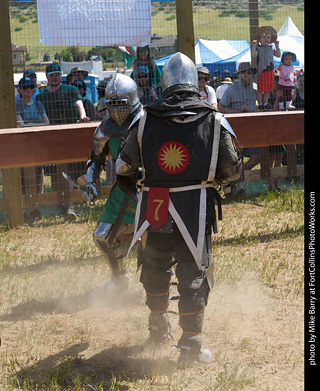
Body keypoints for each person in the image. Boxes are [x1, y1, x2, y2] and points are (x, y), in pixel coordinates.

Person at [116, 52, 240, 365]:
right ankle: (191, 348)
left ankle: (158, 330)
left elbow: (123, 167)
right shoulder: (214, 119)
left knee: (155, 265)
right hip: (194, 206)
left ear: (165, 82)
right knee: (193, 272)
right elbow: (232, 169)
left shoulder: (144, 119)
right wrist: (209, 181)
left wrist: (141, 189)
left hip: (155, 204)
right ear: (192, 82)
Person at [76, 73, 143, 295]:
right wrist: (91, 180)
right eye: (112, 104)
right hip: (122, 191)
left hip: (151, 189)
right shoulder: (105, 129)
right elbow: (96, 159)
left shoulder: (147, 122)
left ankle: (162, 280)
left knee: (156, 240)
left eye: (120, 104)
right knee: (102, 236)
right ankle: (119, 281)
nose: (116, 109)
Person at [35, 63, 90, 219]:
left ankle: (70, 206)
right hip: (50, 140)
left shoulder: (70, 90)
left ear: (61, 75)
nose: (55, 77)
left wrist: (82, 116)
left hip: (69, 138)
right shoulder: (41, 96)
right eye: (52, 74)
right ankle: (61, 204)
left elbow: (79, 103)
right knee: (55, 175)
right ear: (47, 76)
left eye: (57, 74)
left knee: (69, 173)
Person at [219, 62, 259, 195]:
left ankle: (235, 180)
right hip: (236, 129)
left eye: (248, 73)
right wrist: (238, 110)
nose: (246, 75)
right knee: (237, 159)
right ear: (239, 75)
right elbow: (221, 108)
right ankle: (240, 187)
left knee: (256, 158)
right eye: (243, 73)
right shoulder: (231, 90)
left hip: (253, 129)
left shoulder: (256, 89)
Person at [15, 77, 49, 221]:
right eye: (26, 87)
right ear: (20, 90)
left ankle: (35, 208)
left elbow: (47, 123)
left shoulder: (39, 104)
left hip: (37, 146)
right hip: (22, 147)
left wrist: (29, 125)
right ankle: (22, 209)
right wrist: (35, 126)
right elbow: (19, 124)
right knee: (22, 178)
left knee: (37, 176)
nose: (29, 89)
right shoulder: (16, 105)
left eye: (31, 86)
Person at [251, 25, 281, 111]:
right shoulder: (258, 48)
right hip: (262, 71)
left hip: (270, 71)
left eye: (268, 37)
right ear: (260, 39)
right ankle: (260, 103)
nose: (266, 39)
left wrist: (277, 46)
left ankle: (265, 103)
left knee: (267, 89)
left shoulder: (271, 48)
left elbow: (278, 55)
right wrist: (253, 46)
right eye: (264, 37)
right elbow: (254, 55)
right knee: (260, 89)